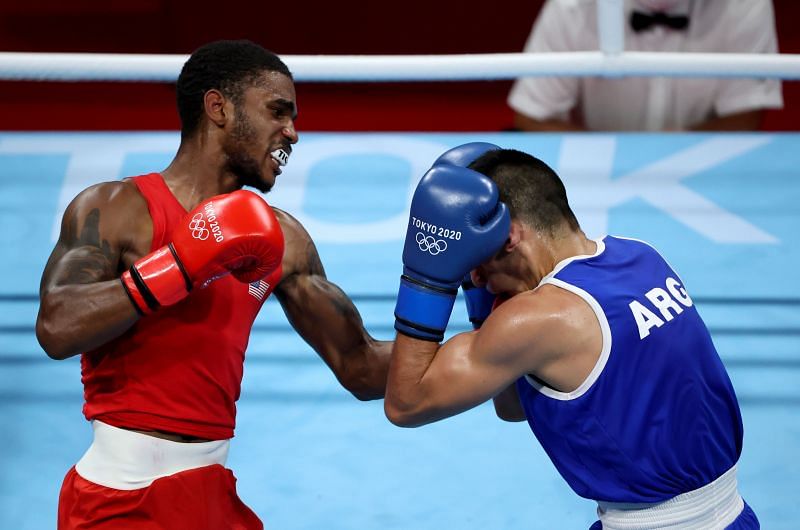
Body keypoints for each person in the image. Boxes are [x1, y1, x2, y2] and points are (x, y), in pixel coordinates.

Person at [36, 39, 391, 530]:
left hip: (211, 499)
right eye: (277, 111)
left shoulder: (283, 240)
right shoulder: (117, 208)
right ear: (218, 108)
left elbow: (362, 367)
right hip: (116, 501)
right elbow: (56, 326)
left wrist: (494, 338)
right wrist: (180, 266)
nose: (291, 132)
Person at [385, 142, 759, 528]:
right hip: (734, 515)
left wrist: (427, 278)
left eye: (475, 260)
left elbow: (406, 404)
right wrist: (485, 292)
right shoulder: (641, 255)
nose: (473, 276)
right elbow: (512, 406)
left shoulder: (541, 317)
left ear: (508, 237)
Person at [508, 0, 783, 132]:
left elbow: (744, 117)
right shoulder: (572, 7)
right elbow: (533, 115)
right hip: (600, 178)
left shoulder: (745, 5)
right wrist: (615, 159)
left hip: (707, 175)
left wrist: (658, 159)